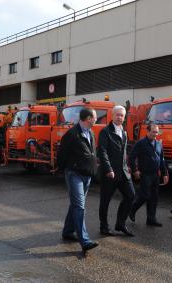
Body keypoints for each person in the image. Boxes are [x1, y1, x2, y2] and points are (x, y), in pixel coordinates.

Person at [57, 107, 99, 254]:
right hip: (74, 174)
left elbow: (92, 153)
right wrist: (63, 170)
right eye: (94, 117)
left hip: (86, 175)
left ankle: (68, 231)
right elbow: (61, 154)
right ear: (88, 119)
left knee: (76, 204)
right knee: (79, 206)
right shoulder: (72, 134)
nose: (96, 119)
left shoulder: (91, 133)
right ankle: (85, 241)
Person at [98, 105, 135, 237]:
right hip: (110, 173)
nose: (119, 117)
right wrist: (108, 169)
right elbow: (102, 152)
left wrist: (127, 165)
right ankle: (104, 227)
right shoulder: (105, 132)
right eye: (117, 114)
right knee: (105, 201)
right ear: (112, 116)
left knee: (131, 195)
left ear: (124, 118)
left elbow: (124, 152)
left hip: (123, 172)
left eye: (122, 115)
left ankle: (120, 224)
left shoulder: (124, 132)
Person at [128, 124, 169, 227]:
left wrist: (164, 173)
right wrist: (135, 170)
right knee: (145, 195)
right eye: (153, 132)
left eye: (157, 132)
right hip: (145, 174)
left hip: (155, 175)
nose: (155, 134)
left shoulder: (158, 143)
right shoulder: (141, 143)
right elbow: (131, 157)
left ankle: (151, 219)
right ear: (148, 131)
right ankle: (132, 209)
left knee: (154, 198)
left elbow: (161, 159)